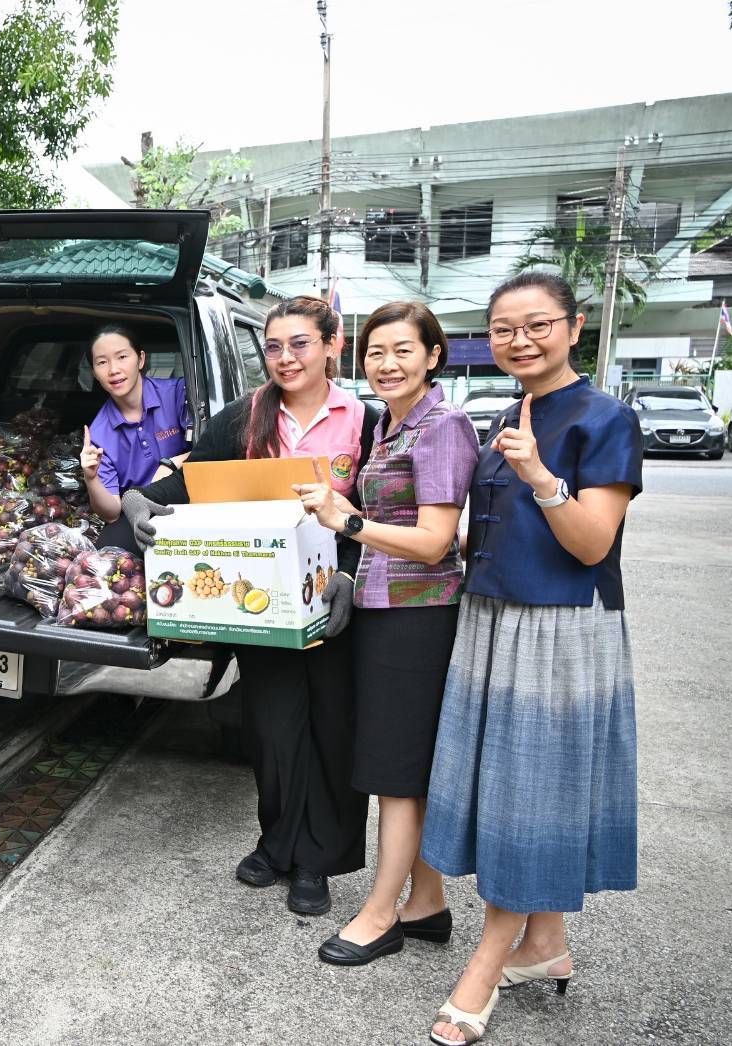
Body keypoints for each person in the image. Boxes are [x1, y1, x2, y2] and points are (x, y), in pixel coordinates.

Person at [419, 271, 641, 1045]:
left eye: (538, 324)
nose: (521, 340)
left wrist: (542, 478)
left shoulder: (606, 417)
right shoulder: (505, 411)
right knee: (514, 789)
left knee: (527, 794)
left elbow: (592, 544)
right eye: (504, 328)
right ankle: (544, 942)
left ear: (574, 327)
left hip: (558, 626)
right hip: (491, 617)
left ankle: (486, 965)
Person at [122, 295, 378, 917]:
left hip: (336, 601)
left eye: (300, 343)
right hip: (264, 608)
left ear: (332, 345)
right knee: (272, 729)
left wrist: (351, 574)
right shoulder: (244, 417)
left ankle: (317, 858)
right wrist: (138, 497)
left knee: (332, 730)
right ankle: (277, 843)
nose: (286, 358)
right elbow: (193, 482)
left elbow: (384, 511)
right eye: (274, 347)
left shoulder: (366, 422)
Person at [288, 301, 479, 967]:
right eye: (375, 352)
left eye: (403, 350)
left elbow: (433, 541)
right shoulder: (393, 424)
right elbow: (392, 519)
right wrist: (339, 511)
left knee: (396, 773)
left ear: (433, 355)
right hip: (384, 609)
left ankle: (380, 915)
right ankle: (425, 902)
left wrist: (347, 524)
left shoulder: (443, 425)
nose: (387, 364)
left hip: (418, 615)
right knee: (402, 767)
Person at [79, 325, 193, 522]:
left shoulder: (178, 394)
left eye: (122, 357)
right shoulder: (97, 434)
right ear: (95, 373)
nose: (114, 370)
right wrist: (91, 479)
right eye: (102, 362)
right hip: (141, 515)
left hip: (191, 500)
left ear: (141, 359)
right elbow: (112, 514)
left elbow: (212, 451)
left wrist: (171, 464)